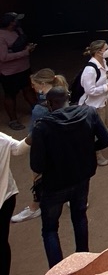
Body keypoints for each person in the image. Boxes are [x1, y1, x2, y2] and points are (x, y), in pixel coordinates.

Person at [30, 86, 108, 268]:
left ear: (50, 104)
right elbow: (106, 139)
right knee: (79, 216)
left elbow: (37, 165)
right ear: (68, 97)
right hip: (82, 177)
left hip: (54, 185)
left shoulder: (43, 126)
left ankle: (58, 271)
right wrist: (86, 152)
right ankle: (84, 261)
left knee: (50, 228)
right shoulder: (88, 113)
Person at [10, 68, 67, 224]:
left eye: (34, 84)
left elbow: (34, 133)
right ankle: (70, 197)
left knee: (38, 177)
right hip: (63, 144)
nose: (32, 87)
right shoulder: (63, 96)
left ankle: (35, 207)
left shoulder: (39, 109)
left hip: (46, 148)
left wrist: (23, 147)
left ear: (42, 84)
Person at [0, 126, 32, 275]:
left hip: (5, 197)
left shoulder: (1, 140)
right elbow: (18, 149)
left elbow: (18, 149)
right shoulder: (1, 139)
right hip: (6, 195)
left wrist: (35, 133)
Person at [79, 40, 108, 165]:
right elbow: (89, 90)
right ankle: (97, 155)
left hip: (104, 100)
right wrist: (107, 88)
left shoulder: (103, 62)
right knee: (96, 131)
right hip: (94, 105)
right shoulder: (90, 70)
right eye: (105, 48)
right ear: (98, 52)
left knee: (104, 124)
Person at [0, 12, 37, 131]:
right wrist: (25, 53)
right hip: (9, 72)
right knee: (10, 95)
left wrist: (28, 47)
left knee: (28, 89)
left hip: (24, 68)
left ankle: (37, 111)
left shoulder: (18, 30)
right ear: (11, 23)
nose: (18, 21)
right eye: (16, 20)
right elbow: (3, 57)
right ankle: (13, 120)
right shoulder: (1, 37)